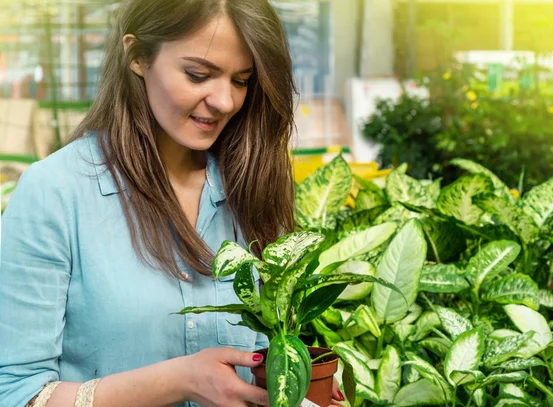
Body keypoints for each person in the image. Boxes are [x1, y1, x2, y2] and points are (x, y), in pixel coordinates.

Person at [0, 1, 345, 406]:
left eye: (241, 80)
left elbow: (270, 349)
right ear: (138, 56)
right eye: (199, 74)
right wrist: (178, 381)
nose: (225, 101)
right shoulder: (55, 193)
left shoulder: (250, 186)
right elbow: (16, 394)